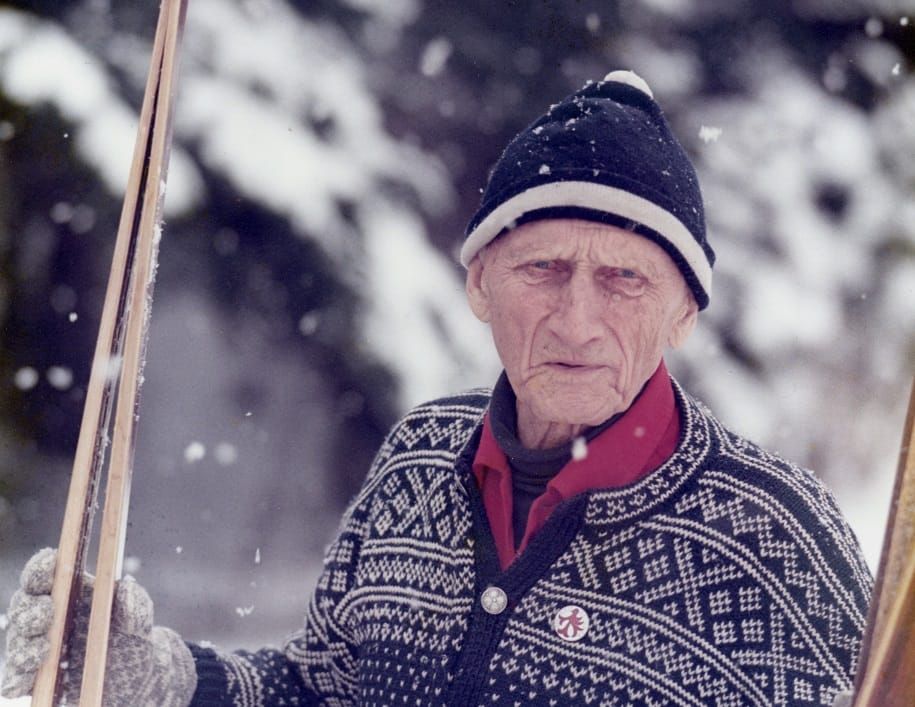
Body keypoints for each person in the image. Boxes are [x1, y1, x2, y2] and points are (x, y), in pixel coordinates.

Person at [3, 70, 871, 706]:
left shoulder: (774, 536)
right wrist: (162, 679)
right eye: (543, 268)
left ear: (685, 310)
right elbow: (325, 688)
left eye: (624, 280)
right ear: (479, 283)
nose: (575, 319)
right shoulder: (420, 458)